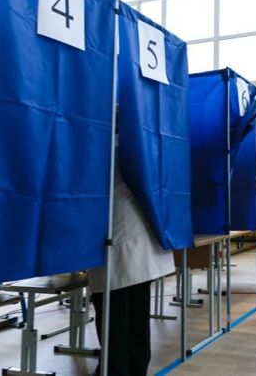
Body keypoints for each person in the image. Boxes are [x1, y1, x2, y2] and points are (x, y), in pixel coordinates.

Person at [89, 153, 174, 375]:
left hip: (117, 243)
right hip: (136, 242)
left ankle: (116, 371)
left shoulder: (103, 149)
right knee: (136, 322)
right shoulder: (138, 145)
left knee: (116, 324)